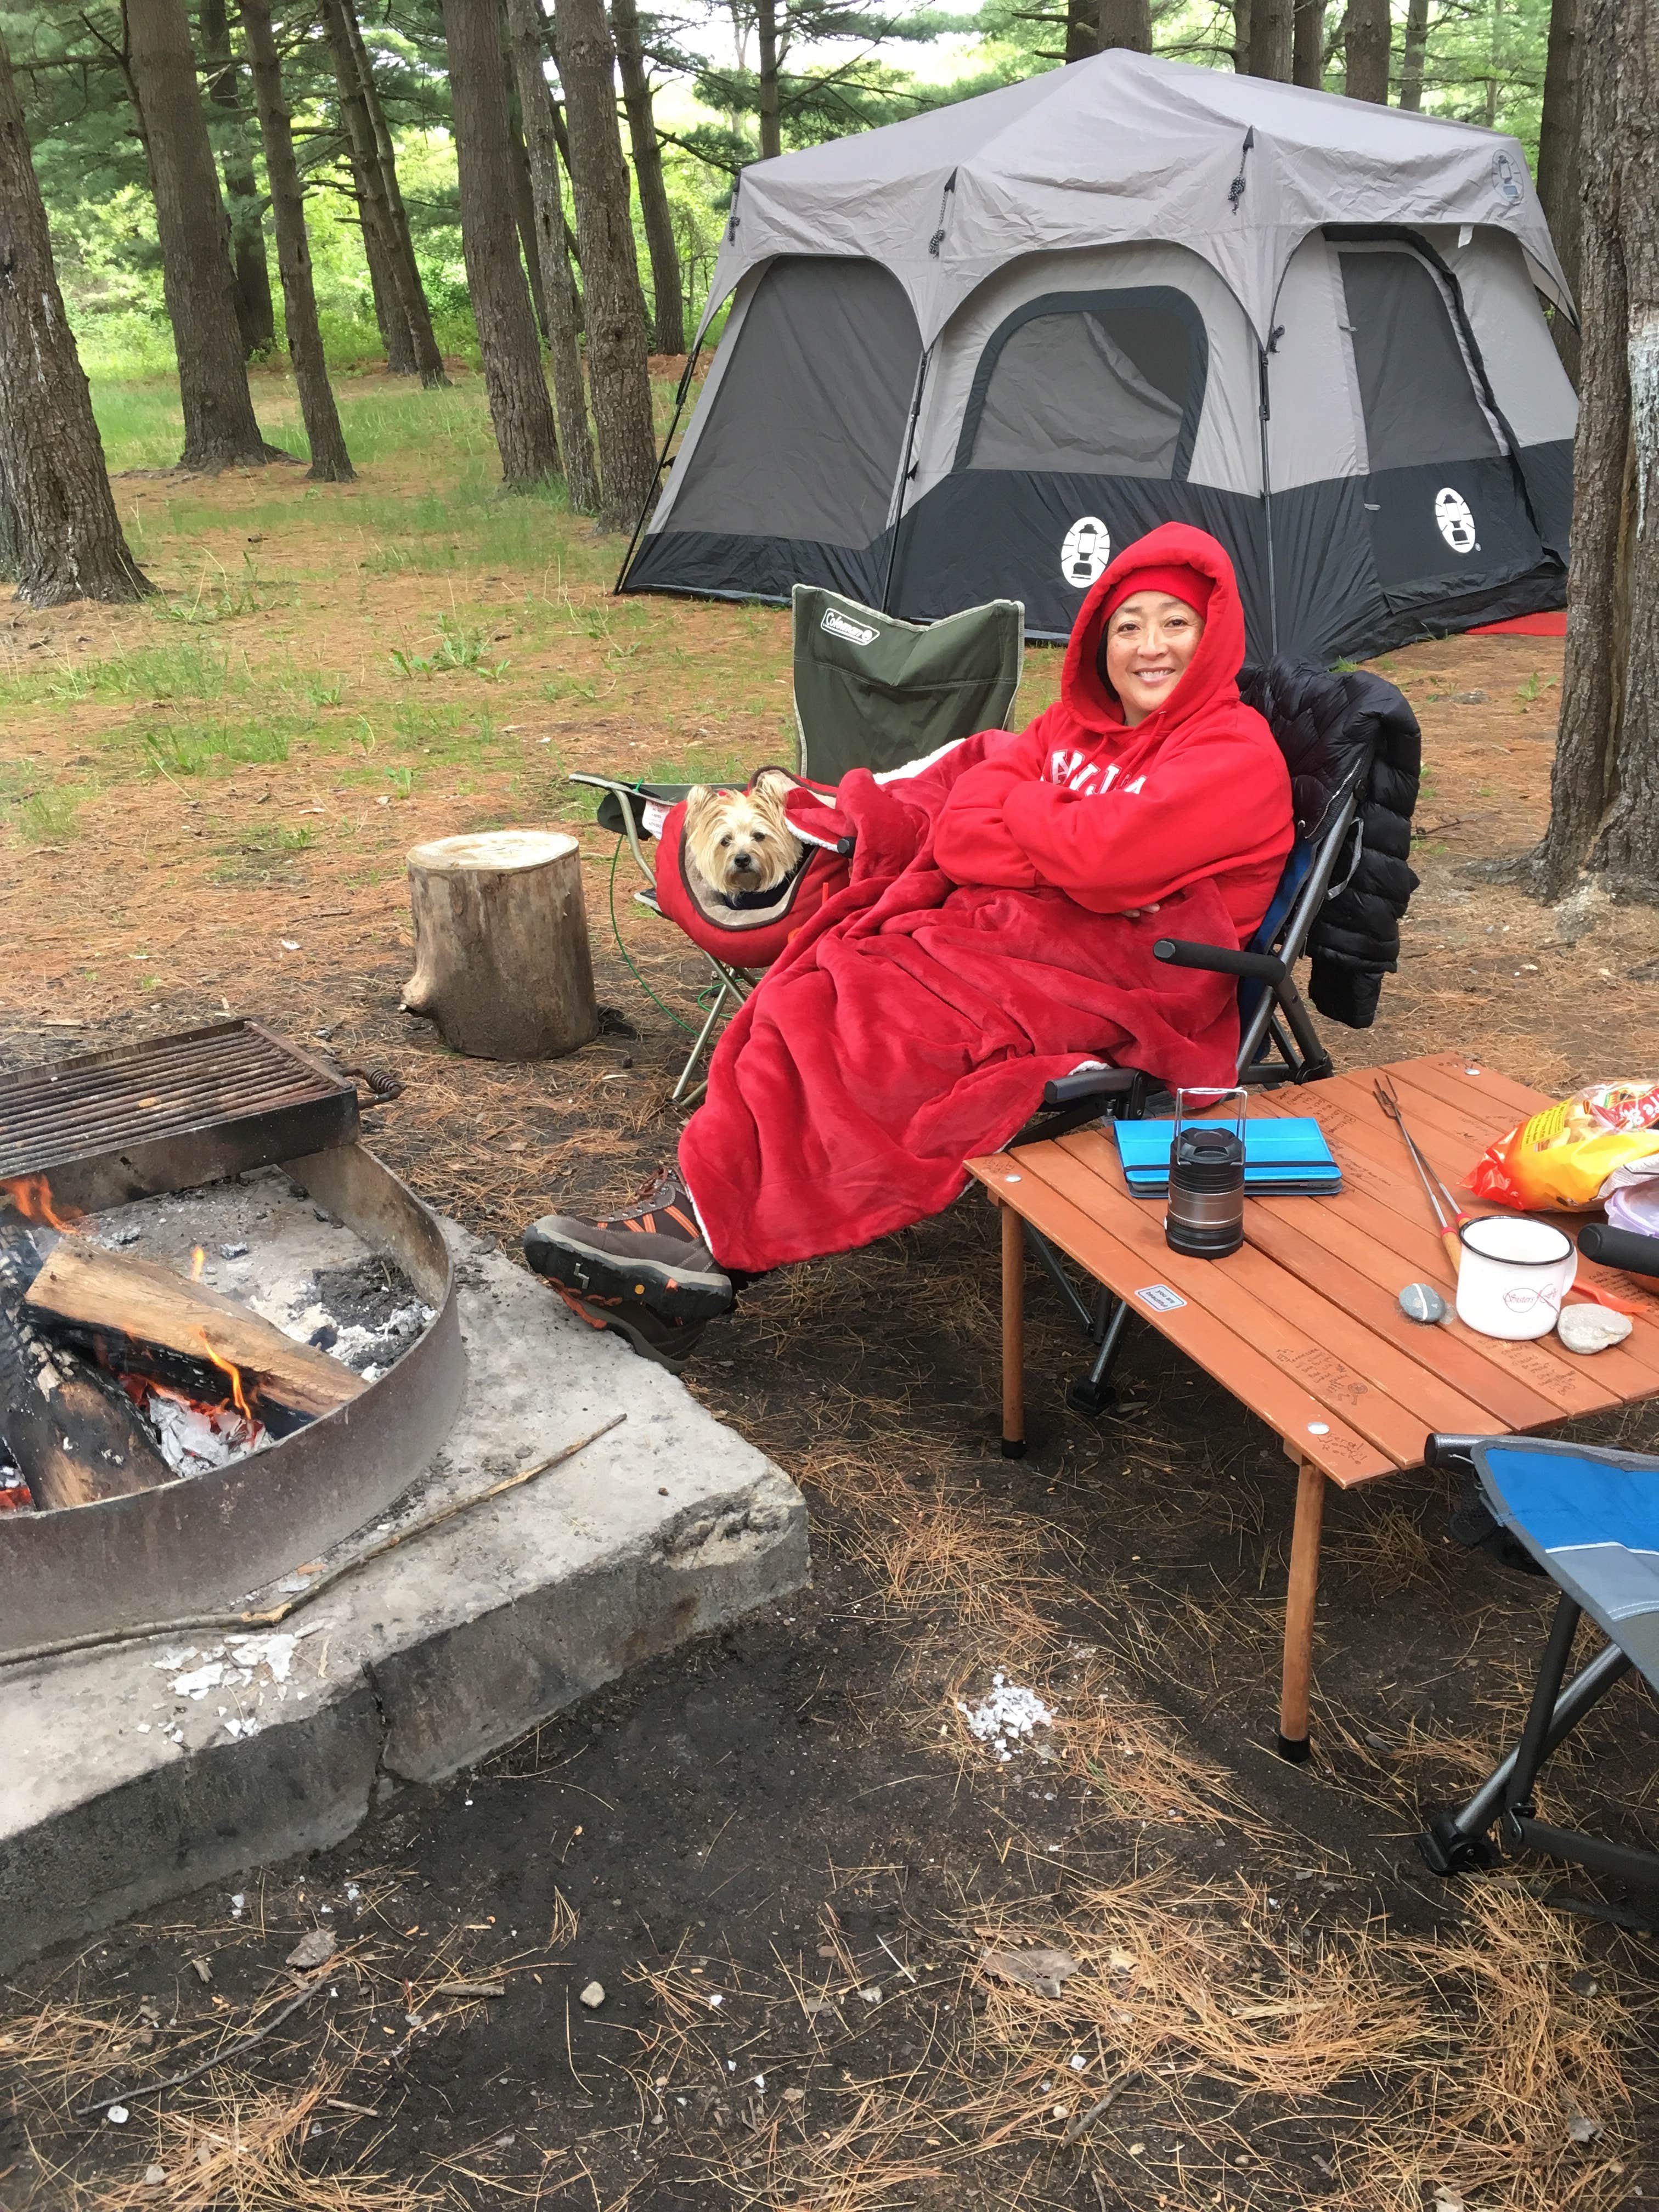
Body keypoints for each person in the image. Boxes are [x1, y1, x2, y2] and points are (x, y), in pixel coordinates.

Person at [526, 522, 1294, 1365]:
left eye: (1176, 623)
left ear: (1212, 637)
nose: (1150, 646)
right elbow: (964, 832)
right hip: (1005, 936)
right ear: (1097, 640)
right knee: (815, 985)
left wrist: (1032, 822)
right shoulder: (1066, 730)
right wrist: (1060, 839)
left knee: (884, 1030)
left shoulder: (1234, 753)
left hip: (1126, 979)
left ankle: (697, 1242)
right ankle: (694, 1228)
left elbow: (1105, 862)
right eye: (1128, 626)